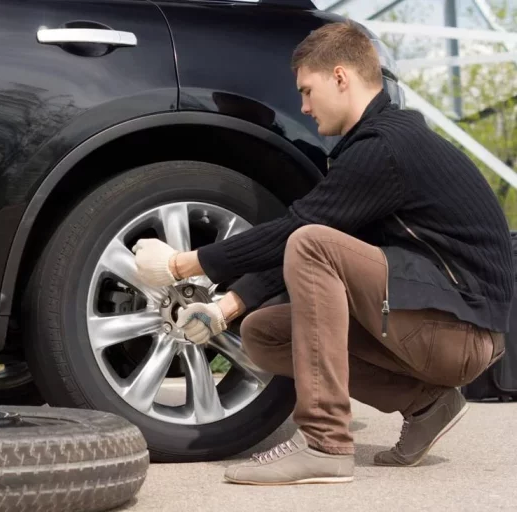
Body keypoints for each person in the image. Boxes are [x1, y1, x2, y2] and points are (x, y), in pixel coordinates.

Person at [131, 20, 512, 486]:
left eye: (308, 91)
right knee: (264, 334)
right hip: (438, 319)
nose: (305, 107)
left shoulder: (386, 148)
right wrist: (227, 307)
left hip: (462, 332)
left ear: (340, 77)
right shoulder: (375, 145)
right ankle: (426, 403)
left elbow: (303, 234)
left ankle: (324, 443)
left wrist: (180, 264)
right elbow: (320, 234)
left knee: (311, 241)